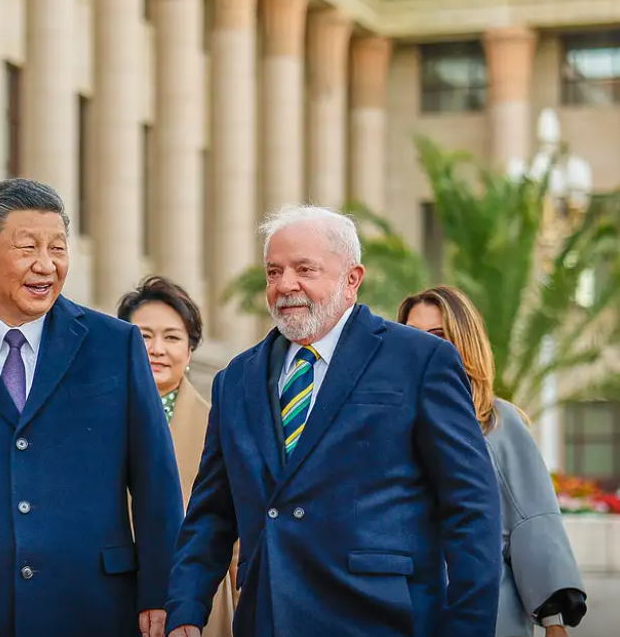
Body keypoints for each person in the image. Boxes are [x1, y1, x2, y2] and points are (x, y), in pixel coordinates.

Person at [166, 205, 502, 637]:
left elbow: (471, 508)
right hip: (269, 618)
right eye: (273, 272)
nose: (285, 285)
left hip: (384, 620)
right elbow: (211, 512)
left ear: (352, 279)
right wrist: (185, 611)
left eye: (305, 269)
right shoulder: (235, 379)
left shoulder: (421, 361)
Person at [0, 178, 184, 637]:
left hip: (96, 608)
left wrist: (162, 593)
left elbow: (155, 480)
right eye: (27, 247)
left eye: (58, 249)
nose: (46, 265)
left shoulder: (115, 346)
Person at [399, 286, 587, 637]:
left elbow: (532, 519)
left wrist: (553, 622)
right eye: (411, 335)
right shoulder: (390, 423)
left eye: (438, 336)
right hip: (407, 606)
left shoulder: (497, 421)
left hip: (488, 606)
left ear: (463, 342)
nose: (422, 347)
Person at [117, 276, 238, 637]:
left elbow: (235, 535)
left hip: (197, 602)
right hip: (116, 594)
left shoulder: (219, 426)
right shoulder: (93, 422)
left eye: (172, 338)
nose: (156, 349)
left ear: (189, 351)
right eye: (143, 336)